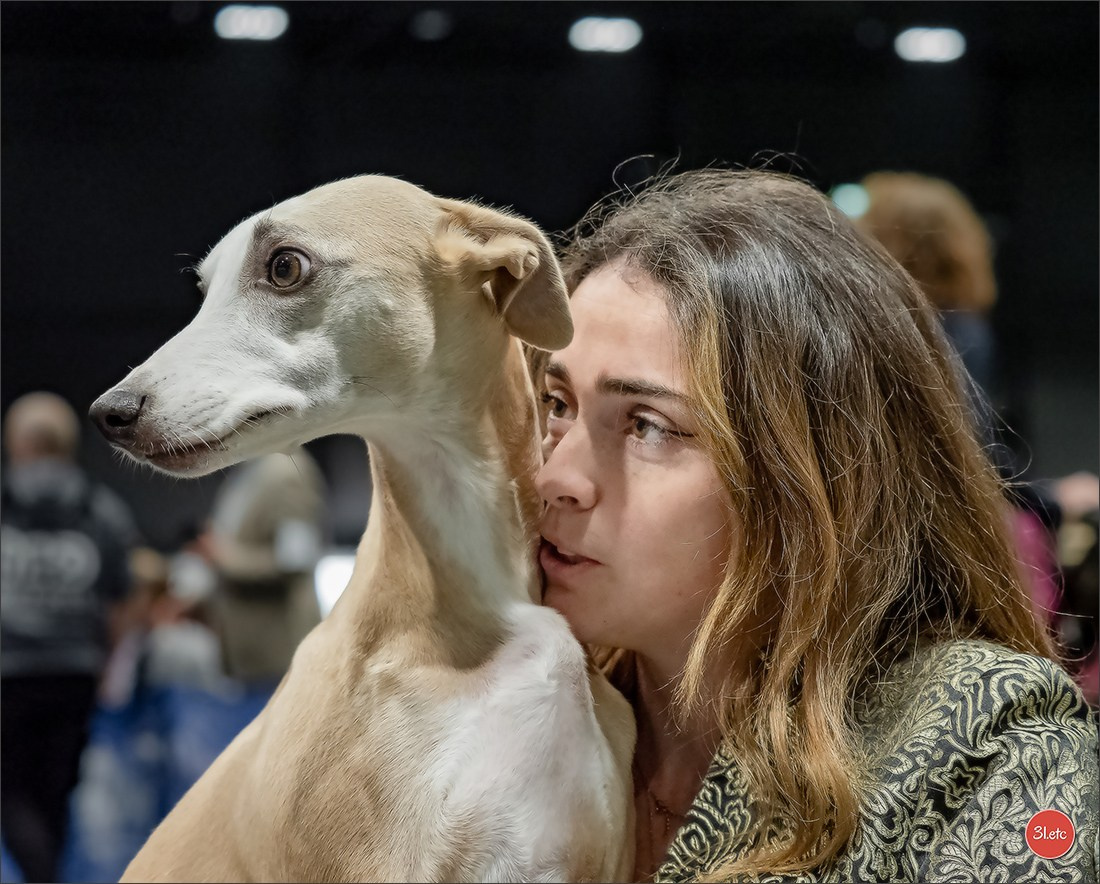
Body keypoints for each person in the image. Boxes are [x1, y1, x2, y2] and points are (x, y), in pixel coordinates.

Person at [529, 169, 1098, 882]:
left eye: (647, 426)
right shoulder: (518, 712)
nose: (555, 477)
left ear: (812, 477)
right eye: (557, 403)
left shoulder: (982, 732)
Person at [0, 391, 139, 883]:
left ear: (15, 444)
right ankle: (48, 873)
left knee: (10, 792)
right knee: (56, 790)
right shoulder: (102, 510)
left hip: (9, 675)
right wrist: (108, 662)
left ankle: (41, 875)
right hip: (75, 674)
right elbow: (122, 602)